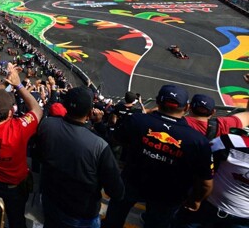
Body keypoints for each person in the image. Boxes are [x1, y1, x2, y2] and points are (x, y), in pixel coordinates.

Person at [103, 85, 214, 228]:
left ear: (157, 101)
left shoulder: (137, 120)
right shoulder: (199, 141)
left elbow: (116, 139)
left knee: (114, 218)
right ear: (186, 108)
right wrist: (196, 200)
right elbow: (206, 183)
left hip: (131, 181)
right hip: (168, 195)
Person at [37, 86, 124, 228]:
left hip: (50, 201)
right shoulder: (99, 145)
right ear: (90, 113)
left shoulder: (46, 125)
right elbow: (117, 191)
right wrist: (99, 124)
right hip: (81, 214)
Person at [0, 62, 43, 228]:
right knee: (17, 219)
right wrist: (17, 83)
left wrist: (5, 82)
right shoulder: (18, 129)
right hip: (13, 186)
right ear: (11, 112)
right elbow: (37, 110)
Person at [175, 128, 249, 227]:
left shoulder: (231, 142)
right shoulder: (231, 142)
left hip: (207, 206)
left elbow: (198, 165)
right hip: (240, 217)